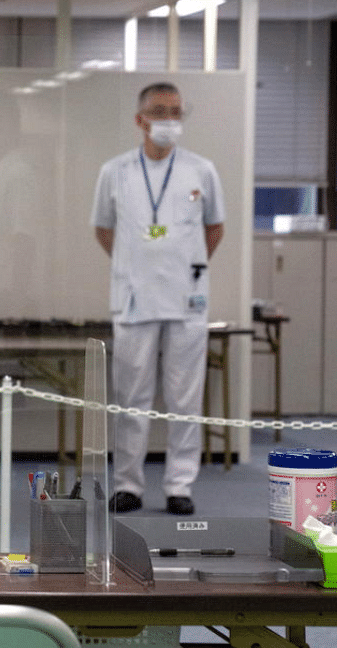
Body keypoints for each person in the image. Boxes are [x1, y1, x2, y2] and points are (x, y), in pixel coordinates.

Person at [90, 82, 225, 516]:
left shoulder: (202, 170)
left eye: (176, 112)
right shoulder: (115, 171)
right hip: (133, 300)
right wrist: (136, 267)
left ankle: (179, 486)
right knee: (132, 396)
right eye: (159, 111)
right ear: (140, 119)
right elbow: (104, 230)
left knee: (186, 397)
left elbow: (214, 229)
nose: (169, 120)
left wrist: (183, 266)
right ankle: (128, 483)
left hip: (187, 301)